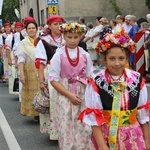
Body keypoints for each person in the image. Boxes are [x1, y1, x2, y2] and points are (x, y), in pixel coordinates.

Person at [78, 29, 150, 150]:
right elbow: (95, 118)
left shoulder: (136, 79)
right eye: (112, 59)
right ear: (104, 60)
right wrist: (101, 145)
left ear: (127, 59)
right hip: (105, 135)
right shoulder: (97, 81)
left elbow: (142, 114)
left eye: (121, 58)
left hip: (133, 136)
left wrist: (147, 140)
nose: (117, 63)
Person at [48, 22, 95, 149]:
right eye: (69, 37)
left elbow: (90, 75)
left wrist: (91, 95)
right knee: (66, 125)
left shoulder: (85, 55)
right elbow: (53, 79)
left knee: (84, 126)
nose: (73, 40)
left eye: (76, 37)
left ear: (80, 37)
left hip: (82, 94)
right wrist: (69, 95)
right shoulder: (59, 55)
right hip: (65, 93)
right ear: (64, 36)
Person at [35, 15, 65, 139]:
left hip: (67, 73)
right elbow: (40, 63)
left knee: (66, 103)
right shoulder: (44, 41)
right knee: (54, 102)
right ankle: (56, 132)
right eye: (55, 24)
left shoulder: (68, 38)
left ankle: (67, 130)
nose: (58, 27)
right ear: (50, 26)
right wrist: (41, 81)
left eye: (60, 24)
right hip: (51, 72)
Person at [17, 20, 39, 122]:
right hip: (30, 71)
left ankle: (44, 111)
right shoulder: (23, 43)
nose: (31, 30)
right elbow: (21, 60)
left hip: (42, 69)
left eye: (33, 28)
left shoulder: (41, 40)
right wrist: (21, 74)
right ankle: (36, 113)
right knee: (33, 92)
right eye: (29, 28)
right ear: (26, 30)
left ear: (36, 29)